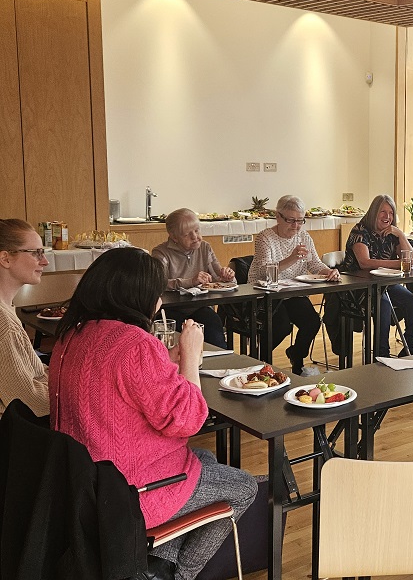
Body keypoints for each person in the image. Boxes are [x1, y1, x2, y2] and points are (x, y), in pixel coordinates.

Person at [49, 248, 257, 580]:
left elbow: (124, 385)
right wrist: (190, 358)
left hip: (84, 481)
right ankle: (177, 575)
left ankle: (156, 565)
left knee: (204, 458)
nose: (158, 300)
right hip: (127, 493)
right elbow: (189, 419)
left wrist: (167, 360)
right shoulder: (134, 343)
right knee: (245, 485)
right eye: (155, 292)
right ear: (137, 295)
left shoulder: (71, 333)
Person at [247, 195, 340, 370]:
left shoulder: (303, 236)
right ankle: (260, 362)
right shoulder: (264, 237)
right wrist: (292, 258)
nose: (296, 226)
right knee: (281, 326)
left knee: (312, 322)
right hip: (266, 293)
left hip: (293, 291)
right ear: (278, 216)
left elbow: (314, 263)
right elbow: (264, 272)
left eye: (300, 221)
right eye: (290, 220)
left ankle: (297, 354)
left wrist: (329, 272)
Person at [339, 194, 413, 357]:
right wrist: (397, 264)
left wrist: (401, 236)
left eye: (391, 213)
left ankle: (409, 347)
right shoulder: (360, 231)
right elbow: (365, 263)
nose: (387, 217)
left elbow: (412, 260)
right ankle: (381, 354)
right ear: (373, 212)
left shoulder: (392, 233)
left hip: (384, 284)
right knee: (383, 304)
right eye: (383, 212)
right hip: (358, 287)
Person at [151, 208, 233, 348]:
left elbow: (217, 276)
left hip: (198, 306)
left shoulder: (205, 248)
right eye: (187, 234)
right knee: (180, 338)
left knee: (214, 327)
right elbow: (158, 283)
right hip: (170, 310)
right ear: (174, 237)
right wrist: (190, 282)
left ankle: (219, 365)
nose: (195, 237)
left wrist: (227, 276)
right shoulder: (161, 253)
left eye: (197, 230)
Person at [0, 219, 49, 418]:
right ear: (6, 259)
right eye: (36, 252)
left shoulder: (7, 310)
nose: (44, 261)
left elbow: (34, 371)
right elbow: (30, 403)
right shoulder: (4, 323)